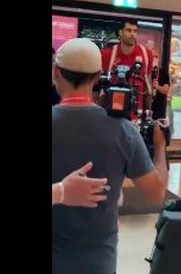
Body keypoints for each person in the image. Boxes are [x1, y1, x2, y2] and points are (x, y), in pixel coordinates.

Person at [52, 38, 168, 274]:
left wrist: (61, 192)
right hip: (99, 263)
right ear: (98, 77)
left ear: (55, 72)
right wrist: (160, 146)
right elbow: (156, 193)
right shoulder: (123, 131)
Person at [100, 19, 153, 119]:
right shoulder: (108, 54)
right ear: (120, 32)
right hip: (112, 114)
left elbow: (148, 86)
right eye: (129, 30)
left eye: (135, 31)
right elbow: (101, 86)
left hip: (136, 115)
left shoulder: (146, 53)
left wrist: (148, 114)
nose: (132, 34)